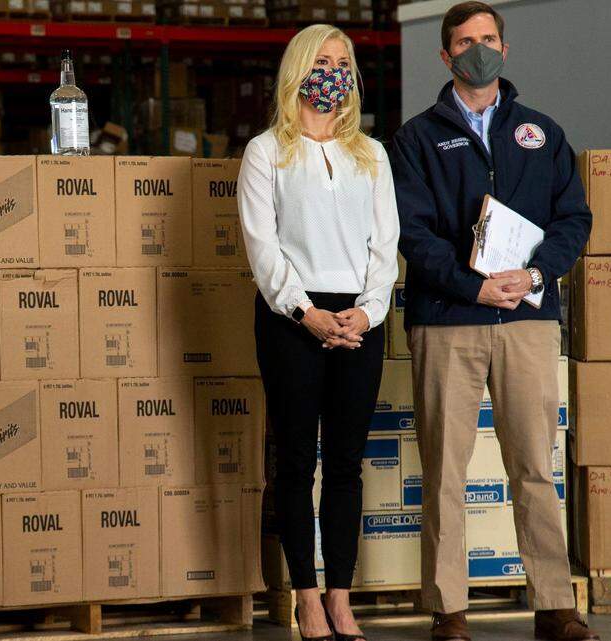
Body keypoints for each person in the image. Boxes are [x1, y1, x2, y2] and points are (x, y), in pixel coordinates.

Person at [388, 3, 596, 641]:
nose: (478, 49)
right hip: (448, 319)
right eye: (464, 42)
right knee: (445, 467)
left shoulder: (542, 131)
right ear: (445, 55)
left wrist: (534, 278)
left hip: (529, 317)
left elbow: (573, 220)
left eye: (487, 39)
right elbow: (412, 234)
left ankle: (554, 604)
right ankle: (449, 609)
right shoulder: (417, 138)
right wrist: (474, 285)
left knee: (535, 463)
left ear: (504, 48)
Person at [239, 23, 399, 641]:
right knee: (297, 460)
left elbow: (386, 246)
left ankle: (340, 597)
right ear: (299, 69)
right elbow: (262, 245)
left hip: (360, 319)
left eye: (344, 61)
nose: (334, 69)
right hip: (291, 320)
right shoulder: (266, 152)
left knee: (347, 466)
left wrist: (368, 311)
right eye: (322, 59)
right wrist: (304, 312)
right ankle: (305, 596)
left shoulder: (371, 154)